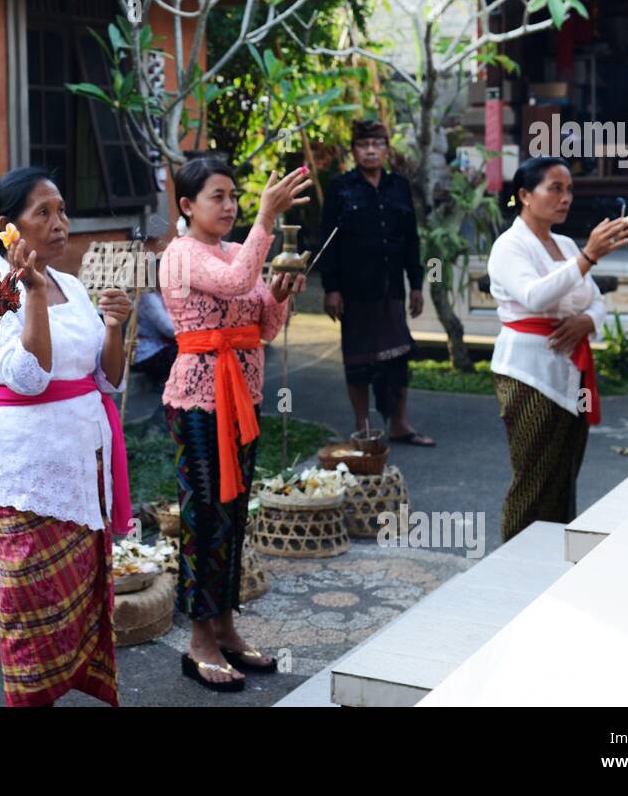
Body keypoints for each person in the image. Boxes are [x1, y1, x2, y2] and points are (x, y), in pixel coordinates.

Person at [0, 167, 132, 707]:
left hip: (84, 465)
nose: (60, 224)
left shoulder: (74, 285)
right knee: (33, 604)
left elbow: (107, 379)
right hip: (31, 473)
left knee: (79, 598)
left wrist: (114, 329)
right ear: (6, 227)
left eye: (62, 211)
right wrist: (32, 292)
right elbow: (30, 378)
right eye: (43, 213)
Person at [161, 158, 309, 690]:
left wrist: (283, 292)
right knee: (203, 517)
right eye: (216, 197)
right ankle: (198, 639)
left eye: (234, 197)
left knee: (232, 516)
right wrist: (266, 220)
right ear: (187, 206)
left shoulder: (232, 250)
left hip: (242, 399)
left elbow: (262, 326)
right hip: (198, 402)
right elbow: (234, 282)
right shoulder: (181, 254)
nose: (229, 207)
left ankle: (224, 626)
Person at [487, 158, 628, 541]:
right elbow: (534, 297)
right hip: (527, 372)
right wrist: (588, 257)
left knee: (565, 472)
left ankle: (551, 557)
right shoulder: (509, 246)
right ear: (524, 196)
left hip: (572, 370)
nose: (565, 198)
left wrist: (587, 321)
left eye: (569, 190)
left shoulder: (565, 244)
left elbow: (594, 300)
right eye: (555, 188)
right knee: (534, 475)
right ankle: (514, 560)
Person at [319, 120, 433, 446]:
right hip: (354, 291)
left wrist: (416, 284)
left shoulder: (399, 186)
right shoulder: (340, 187)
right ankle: (363, 426)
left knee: (398, 358)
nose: (370, 150)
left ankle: (400, 424)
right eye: (363, 144)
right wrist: (331, 288)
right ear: (353, 150)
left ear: (386, 148)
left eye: (377, 144)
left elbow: (411, 239)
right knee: (358, 362)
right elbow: (327, 241)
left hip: (391, 288)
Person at [132, 285, 177, 384]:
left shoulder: (163, 293)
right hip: (147, 353)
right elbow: (169, 329)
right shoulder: (148, 296)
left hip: (161, 345)